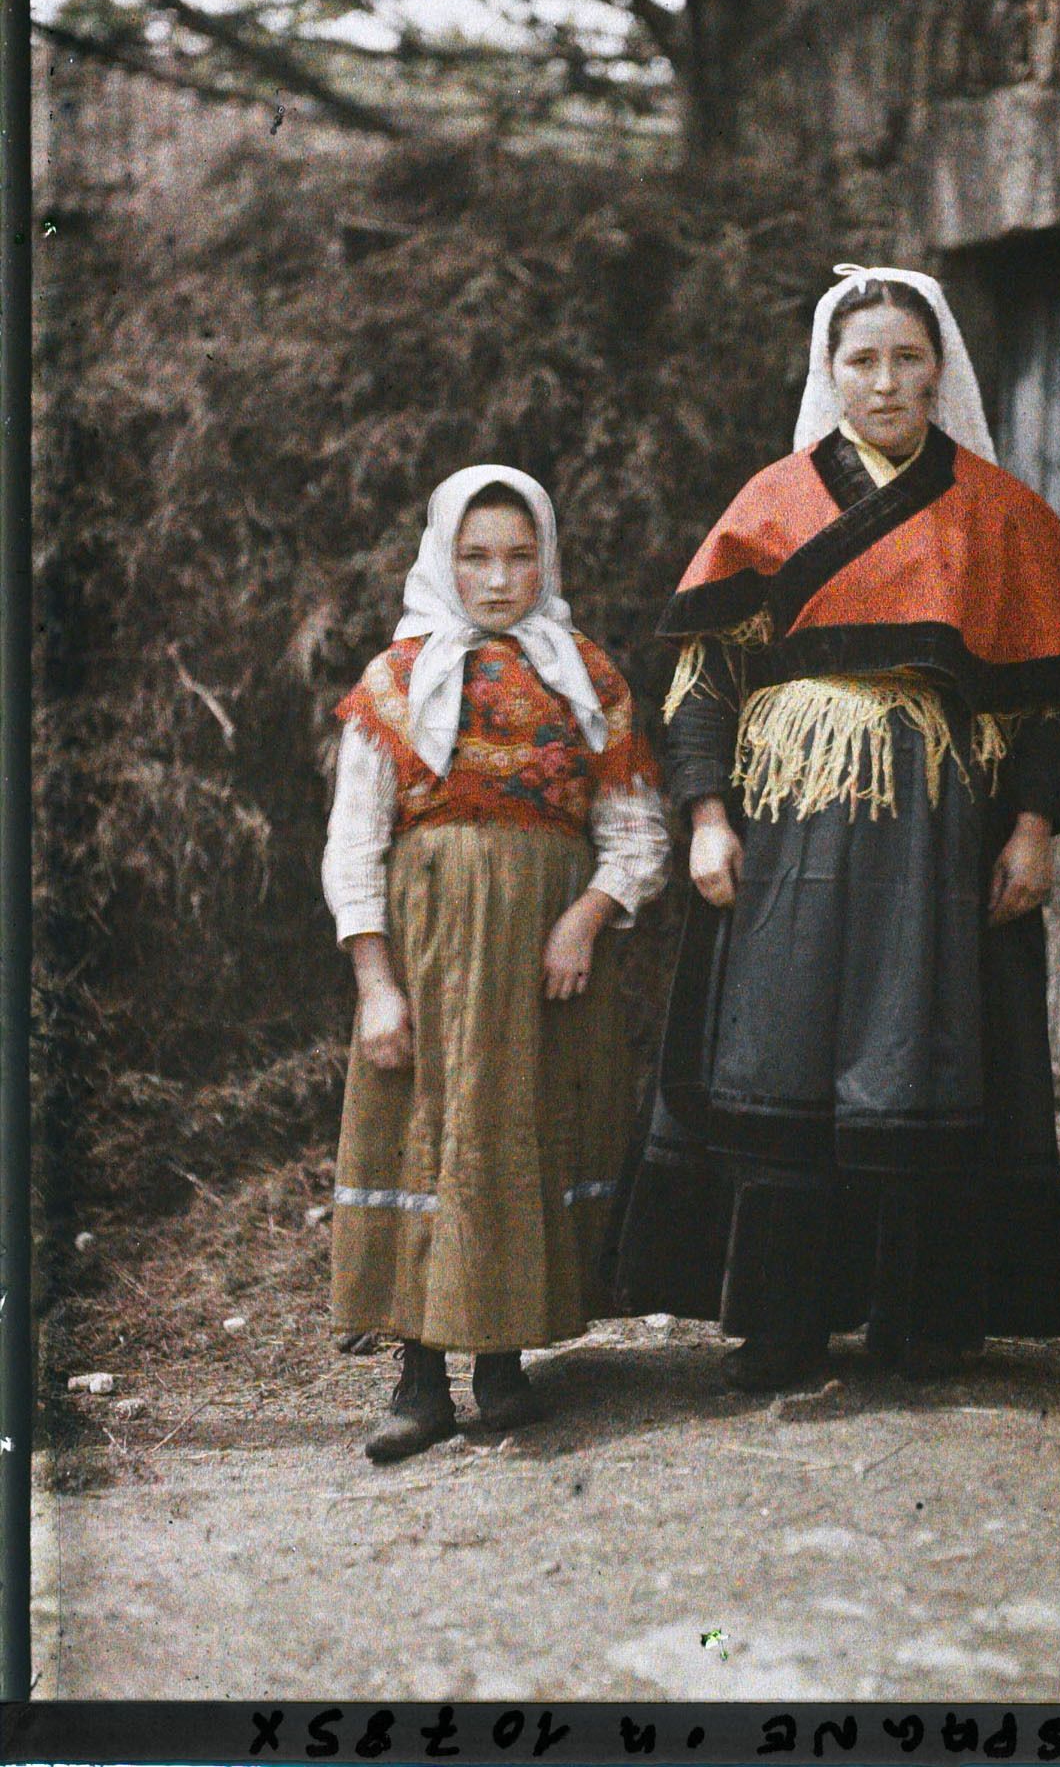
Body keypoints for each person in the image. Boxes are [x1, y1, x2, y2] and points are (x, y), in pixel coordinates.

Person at [612, 265, 1060, 1391]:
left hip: (937, 835)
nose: (885, 381)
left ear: (939, 366)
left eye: (906, 357)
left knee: (926, 1049)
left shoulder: (999, 514)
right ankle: (781, 1323)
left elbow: (1048, 705)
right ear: (827, 371)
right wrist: (706, 816)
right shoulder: (769, 503)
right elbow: (702, 686)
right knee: (779, 1049)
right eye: (862, 359)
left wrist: (1033, 828)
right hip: (790, 829)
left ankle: (923, 1317)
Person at [322, 464, 669, 1461]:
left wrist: (588, 916)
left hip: (542, 949)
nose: (498, 576)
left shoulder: (587, 678)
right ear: (442, 556)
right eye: (474, 555)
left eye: (520, 554)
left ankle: (504, 1364)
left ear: (546, 558)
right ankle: (420, 1380)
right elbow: (355, 839)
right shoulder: (395, 679)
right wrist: (376, 979)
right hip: (426, 941)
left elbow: (633, 825)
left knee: (517, 1127)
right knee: (426, 1127)